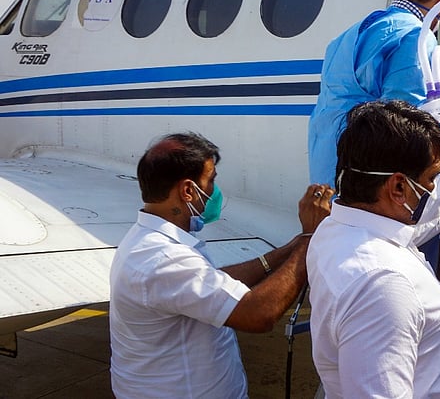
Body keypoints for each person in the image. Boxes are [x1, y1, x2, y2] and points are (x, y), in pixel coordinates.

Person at [109, 132, 331, 398]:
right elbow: (258, 314)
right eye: (211, 181)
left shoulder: (149, 240)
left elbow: (210, 281)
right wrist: (309, 241)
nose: (214, 192)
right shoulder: (164, 259)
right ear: (188, 191)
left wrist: (289, 249)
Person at [307, 99, 440, 398]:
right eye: (431, 178)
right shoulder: (383, 285)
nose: (434, 189)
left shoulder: (338, 229)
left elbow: (435, 210)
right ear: (398, 187)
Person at [308, 0, 440, 187]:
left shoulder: (350, 33)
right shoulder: (416, 36)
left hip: (325, 156)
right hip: (363, 169)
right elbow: (409, 119)